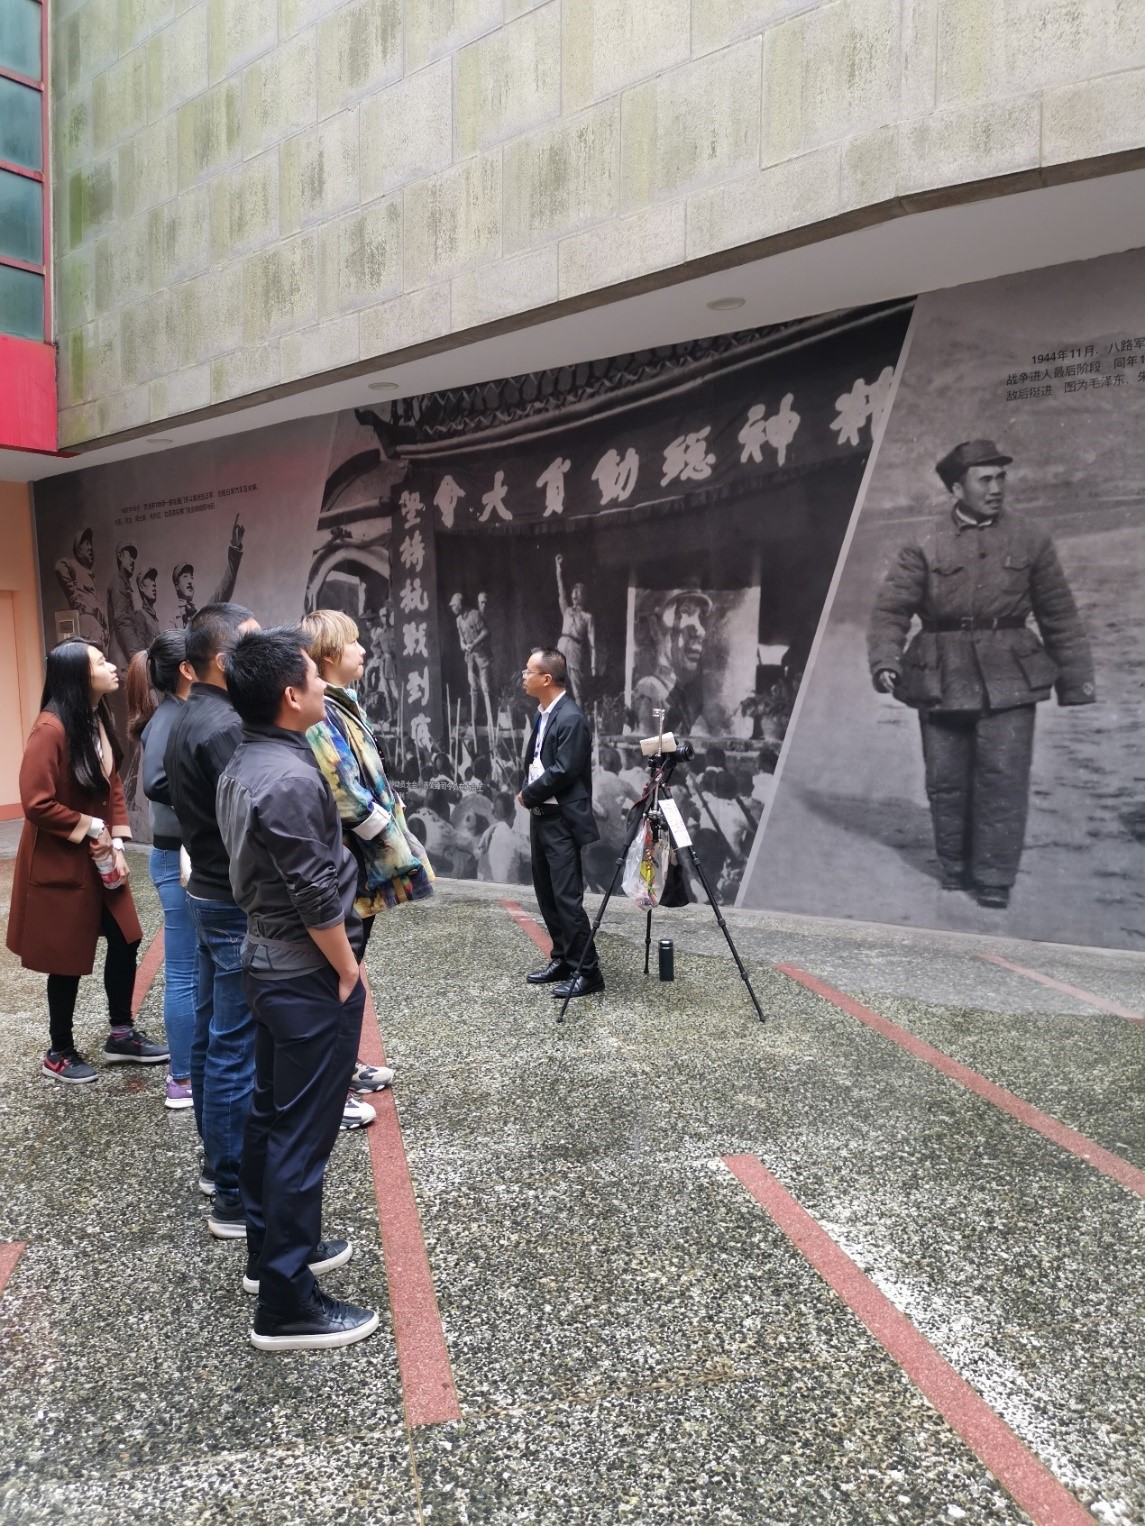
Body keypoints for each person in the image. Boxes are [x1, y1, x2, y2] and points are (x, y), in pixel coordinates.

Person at [216, 627, 378, 1352]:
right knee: (301, 1136)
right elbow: (314, 893)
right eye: (314, 677)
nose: (324, 686)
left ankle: (273, 1252)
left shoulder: (248, 760)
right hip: (302, 972)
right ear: (291, 695)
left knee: (271, 1116)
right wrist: (346, 968)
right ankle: (287, 1303)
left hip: (267, 962)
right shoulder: (288, 777)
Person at [868, 439, 1096, 909]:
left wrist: (1076, 682)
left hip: (1010, 675)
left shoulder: (1032, 539)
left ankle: (994, 877)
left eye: (1001, 478)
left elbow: (1059, 614)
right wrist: (886, 660)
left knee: (1003, 778)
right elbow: (891, 610)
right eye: (985, 480)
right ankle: (953, 866)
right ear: (957, 488)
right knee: (946, 780)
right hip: (940, 675)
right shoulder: (923, 543)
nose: (996, 488)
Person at [7, 640, 168, 1082]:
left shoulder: (95, 717)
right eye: (100, 662)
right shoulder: (50, 729)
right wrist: (93, 827)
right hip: (61, 861)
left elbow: (111, 783)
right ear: (78, 675)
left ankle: (121, 1034)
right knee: (66, 956)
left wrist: (116, 840)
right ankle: (58, 1051)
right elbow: (36, 803)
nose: (112, 666)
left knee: (127, 938)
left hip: (99, 856)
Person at [300, 609, 435, 1095]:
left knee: (350, 963)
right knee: (341, 967)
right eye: (353, 642)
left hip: (360, 858)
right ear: (329, 654)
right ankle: (331, 1082)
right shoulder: (322, 711)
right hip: (350, 860)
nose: (363, 650)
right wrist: (386, 831)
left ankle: (343, 1066)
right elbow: (344, 792)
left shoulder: (341, 703)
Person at [126, 633, 197, 1110]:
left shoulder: (178, 713)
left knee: (195, 971)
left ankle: (192, 1071)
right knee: (185, 973)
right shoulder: (170, 717)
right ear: (187, 668)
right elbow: (154, 781)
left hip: (181, 857)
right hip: (178, 859)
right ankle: (182, 1077)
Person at [518, 648, 603, 999]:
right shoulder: (544, 714)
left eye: (529, 671)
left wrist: (528, 794)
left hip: (561, 821)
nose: (524, 676)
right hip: (542, 818)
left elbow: (564, 769)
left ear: (546, 678)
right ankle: (564, 959)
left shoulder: (571, 718)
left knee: (567, 898)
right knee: (548, 895)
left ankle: (588, 971)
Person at [633, 587, 712, 735]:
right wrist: (688, 744)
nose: (701, 631)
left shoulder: (684, 692)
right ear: (655, 627)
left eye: (699, 617)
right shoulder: (651, 691)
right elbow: (649, 745)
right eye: (685, 612)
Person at [172, 514, 245, 628]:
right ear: (176, 585)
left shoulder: (201, 616)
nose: (190, 581)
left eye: (191, 577)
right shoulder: (172, 619)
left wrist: (235, 549)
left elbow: (223, 591)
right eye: (185, 577)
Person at [449, 591, 496, 742]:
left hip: (481, 655)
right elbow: (461, 640)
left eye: (455, 605)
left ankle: (490, 719)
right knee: (473, 688)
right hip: (470, 657)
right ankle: (474, 719)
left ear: (460, 604)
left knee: (486, 688)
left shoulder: (474, 615)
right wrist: (464, 646)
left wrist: (474, 643)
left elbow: (485, 632)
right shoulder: (458, 621)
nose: (453, 608)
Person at [54, 527, 109, 648]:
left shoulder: (89, 575)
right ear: (78, 550)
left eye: (91, 544)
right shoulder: (73, 565)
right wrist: (75, 598)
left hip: (98, 630)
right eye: (86, 543)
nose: (91, 547)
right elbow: (59, 567)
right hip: (87, 623)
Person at [555, 554, 596, 706]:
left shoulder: (587, 617)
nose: (575, 594)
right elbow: (561, 590)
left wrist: (593, 665)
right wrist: (558, 569)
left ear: (584, 597)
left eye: (579, 592)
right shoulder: (566, 611)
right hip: (562, 646)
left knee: (576, 688)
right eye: (574, 591)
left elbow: (592, 643)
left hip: (575, 650)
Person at [107, 540, 143, 664]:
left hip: (125, 652)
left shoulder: (124, 584)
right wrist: (136, 655)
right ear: (120, 556)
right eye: (130, 555)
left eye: (134, 557)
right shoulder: (118, 582)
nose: (133, 560)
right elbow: (122, 620)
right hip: (121, 654)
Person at [134, 566, 161, 648]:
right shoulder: (140, 616)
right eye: (150, 579)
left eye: (154, 580)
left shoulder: (155, 619)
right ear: (141, 587)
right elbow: (140, 651)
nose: (154, 584)